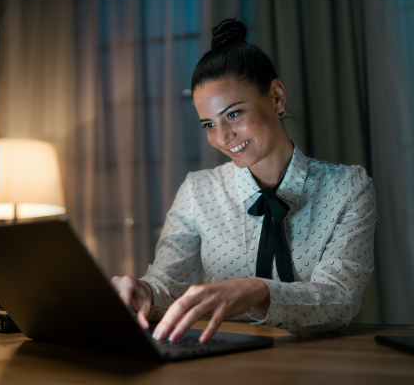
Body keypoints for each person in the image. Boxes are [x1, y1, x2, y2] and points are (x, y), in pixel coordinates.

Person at [111, 18, 377, 344]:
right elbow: (168, 282)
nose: (223, 137)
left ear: (277, 97)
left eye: (233, 114)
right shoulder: (197, 191)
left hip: (316, 363)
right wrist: (144, 291)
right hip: (219, 360)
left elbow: (340, 299)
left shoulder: (349, 188)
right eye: (208, 124)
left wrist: (256, 290)